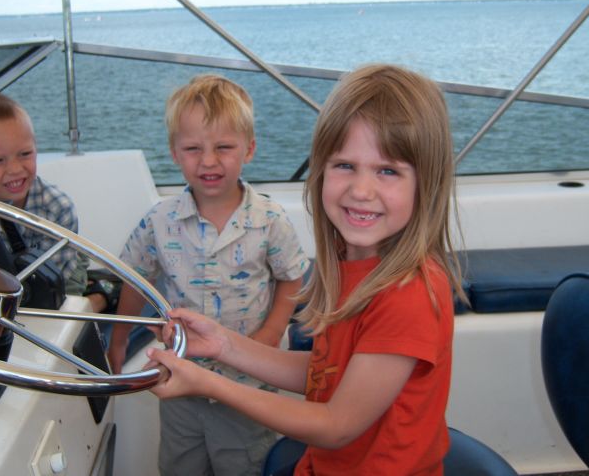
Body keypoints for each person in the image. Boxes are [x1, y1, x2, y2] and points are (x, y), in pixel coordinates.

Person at [147, 64, 468, 475]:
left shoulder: (409, 294)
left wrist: (208, 383)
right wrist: (223, 345)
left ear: (428, 183)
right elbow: (324, 374)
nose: (361, 190)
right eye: (344, 165)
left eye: (387, 170)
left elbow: (336, 425)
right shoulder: (352, 262)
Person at [107, 74, 310, 475]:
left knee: (244, 466)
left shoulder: (270, 220)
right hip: (180, 378)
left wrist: (272, 332)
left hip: (248, 387)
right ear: (174, 153)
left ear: (249, 149)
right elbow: (136, 279)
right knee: (180, 465)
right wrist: (118, 339)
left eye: (223, 147)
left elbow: (292, 277)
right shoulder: (159, 221)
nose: (209, 161)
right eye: (193, 148)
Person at [0, 93, 108, 311]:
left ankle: (100, 296)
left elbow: (55, 277)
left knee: (68, 305)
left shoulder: (58, 208)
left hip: (60, 271)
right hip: (3, 283)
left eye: (25, 154)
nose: (15, 169)